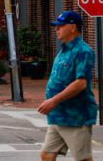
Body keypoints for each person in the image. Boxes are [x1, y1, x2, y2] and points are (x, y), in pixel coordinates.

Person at [38, 10, 98, 161]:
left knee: (82, 159)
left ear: (73, 27)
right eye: (56, 26)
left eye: (61, 26)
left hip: (75, 116)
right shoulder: (63, 51)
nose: (57, 29)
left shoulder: (83, 51)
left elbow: (81, 83)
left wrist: (53, 101)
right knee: (47, 155)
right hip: (58, 115)